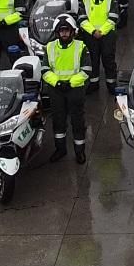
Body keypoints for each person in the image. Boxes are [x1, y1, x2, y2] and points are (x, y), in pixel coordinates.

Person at [41, 14, 91, 163]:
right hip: (56, 90)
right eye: (61, 31)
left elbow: (87, 69)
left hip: (75, 90)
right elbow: (44, 69)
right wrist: (57, 82)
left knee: (77, 121)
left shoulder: (81, 47)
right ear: (57, 32)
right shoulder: (49, 47)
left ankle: (80, 152)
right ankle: (60, 150)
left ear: (72, 32)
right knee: (58, 121)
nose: (64, 33)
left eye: (67, 30)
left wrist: (70, 83)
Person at [79, 0, 119, 93]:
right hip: (90, 35)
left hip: (107, 35)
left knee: (108, 59)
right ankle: (94, 83)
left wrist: (101, 31)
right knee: (93, 60)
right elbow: (82, 19)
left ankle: (111, 83)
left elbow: (113, 17)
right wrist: (93, 31)